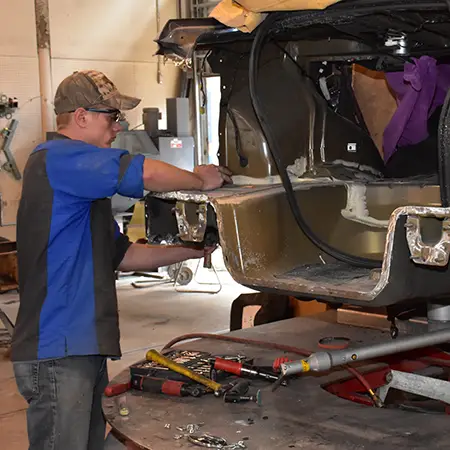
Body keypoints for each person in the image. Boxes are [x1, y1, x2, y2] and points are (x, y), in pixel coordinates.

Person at [11, 70, 232, 450]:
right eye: (112, 117)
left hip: (81, 346)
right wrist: (199, 179)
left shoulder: (84, 190)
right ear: (80, 117)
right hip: (57, 348)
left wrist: (191, 251)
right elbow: (141, 170)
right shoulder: (58, 158)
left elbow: (125, 255)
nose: (118, 127)